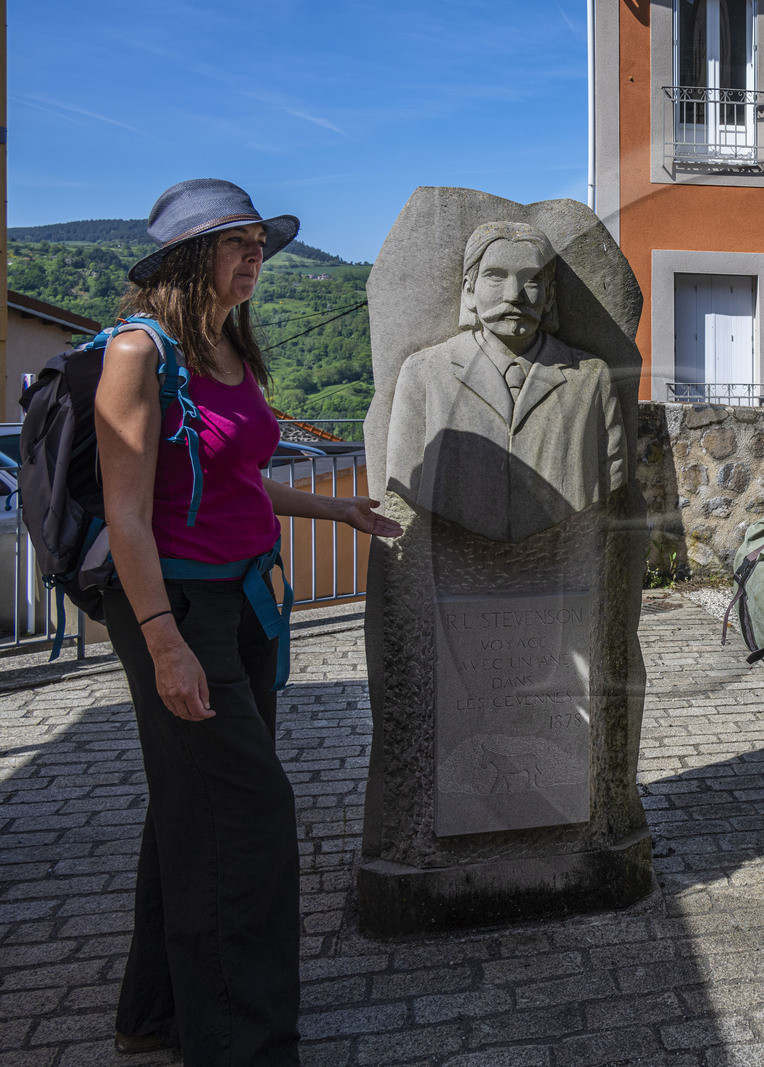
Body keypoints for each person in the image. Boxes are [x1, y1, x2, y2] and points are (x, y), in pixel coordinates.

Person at [96, 178, 402, 1063]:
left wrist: (333, 511)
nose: (256, 256)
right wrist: (163, 641)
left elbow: (230, 478)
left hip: (244, 598)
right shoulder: (138, 353)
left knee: (193, 807)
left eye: (259, 243)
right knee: (249, 816)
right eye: (238, 243)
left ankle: (151, 1013)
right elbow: (127, 513)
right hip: (177, 604)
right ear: (188, 258)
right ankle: (240, 1043)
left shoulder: (230, 343)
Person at [384, 220, 627, 543]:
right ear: (469, 290)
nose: (514, 295)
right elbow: (402, 490)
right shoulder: (424, 372)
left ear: (550, 295)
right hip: (453, 567)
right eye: (496, 276)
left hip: (563, 566)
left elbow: (614, 482)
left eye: (532, 279)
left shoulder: (590, 377)